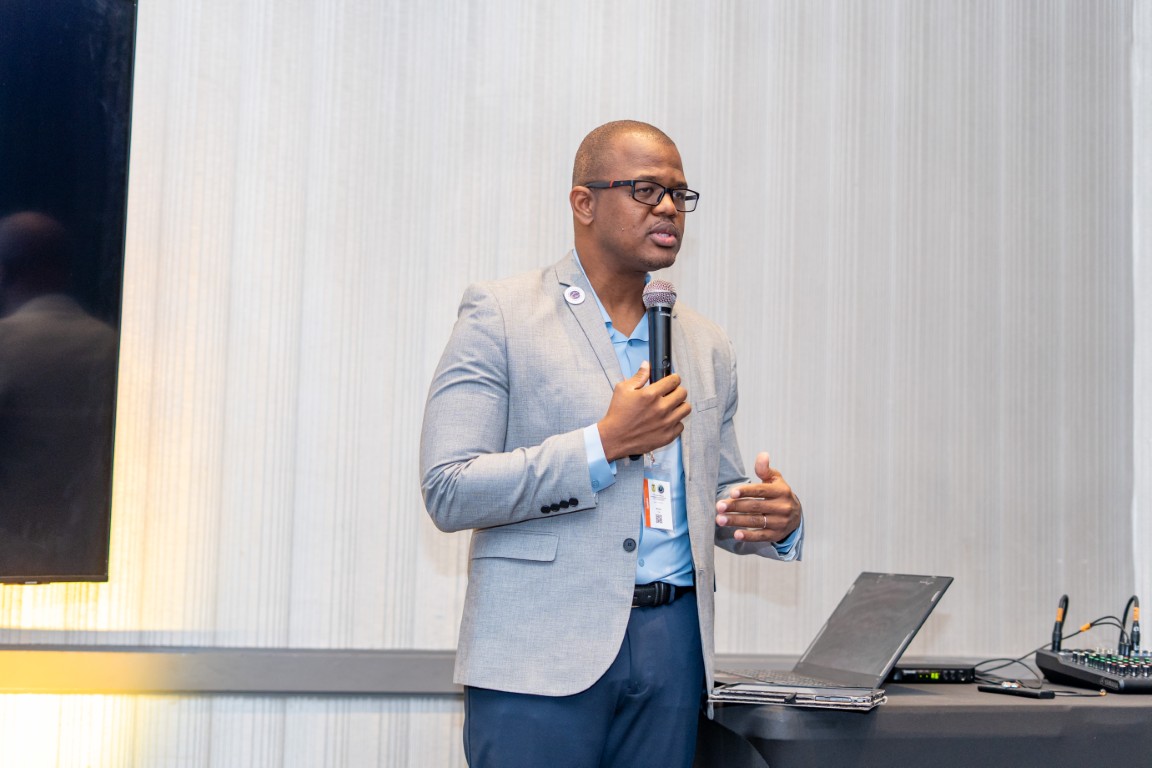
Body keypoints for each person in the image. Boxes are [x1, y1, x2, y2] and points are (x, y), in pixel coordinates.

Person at [420, 120, 803, 768]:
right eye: (646, 190)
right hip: (539, 654)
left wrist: (769, 518)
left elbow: (717, 494)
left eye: (680, 195)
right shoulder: (501, 316)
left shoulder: (706, 343)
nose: (668, 208)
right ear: (584, 203)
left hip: (674, 649)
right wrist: (602, 445)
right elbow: (450, 488)